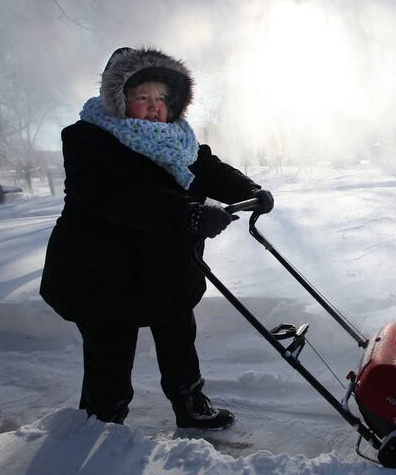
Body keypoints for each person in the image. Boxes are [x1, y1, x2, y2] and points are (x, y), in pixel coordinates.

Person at [40, 47, 274, 430]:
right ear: (118, 99)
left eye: (161, 98)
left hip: (164, 266)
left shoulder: (176, 139)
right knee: (110, 356)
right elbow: (115, 195)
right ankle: (100, 426)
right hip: (101, 274)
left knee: (179, 337)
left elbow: (207, 168)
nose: (154, 107)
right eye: (142, 97)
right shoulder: (87, 139)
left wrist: (250, 191)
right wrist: (189, 214)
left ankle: (191, 404)